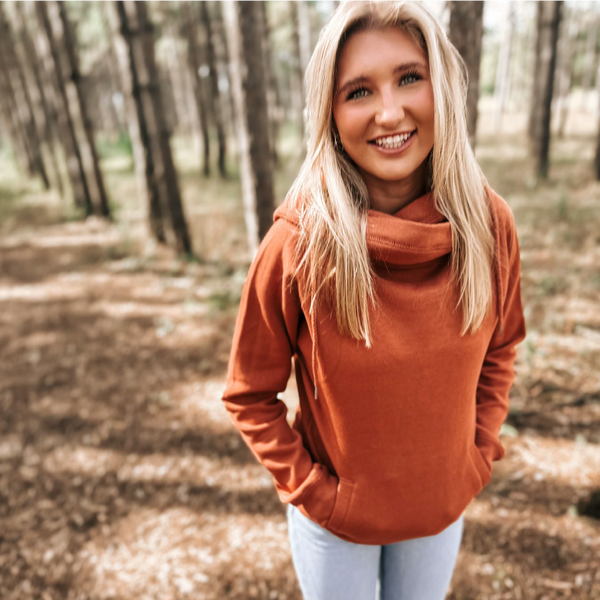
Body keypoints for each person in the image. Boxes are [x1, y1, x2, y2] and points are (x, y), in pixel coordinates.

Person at [220, 1, 527, 598]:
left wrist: (477, 456)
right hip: (337, 529)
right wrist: (319, 495)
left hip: (440, 512)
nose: (390, 111)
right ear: (330, 114)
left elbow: (503, 347)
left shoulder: (489, 225)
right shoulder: (298, 243)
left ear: (442, 85)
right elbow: (248, 395)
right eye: (358, 91)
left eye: (410, 77)